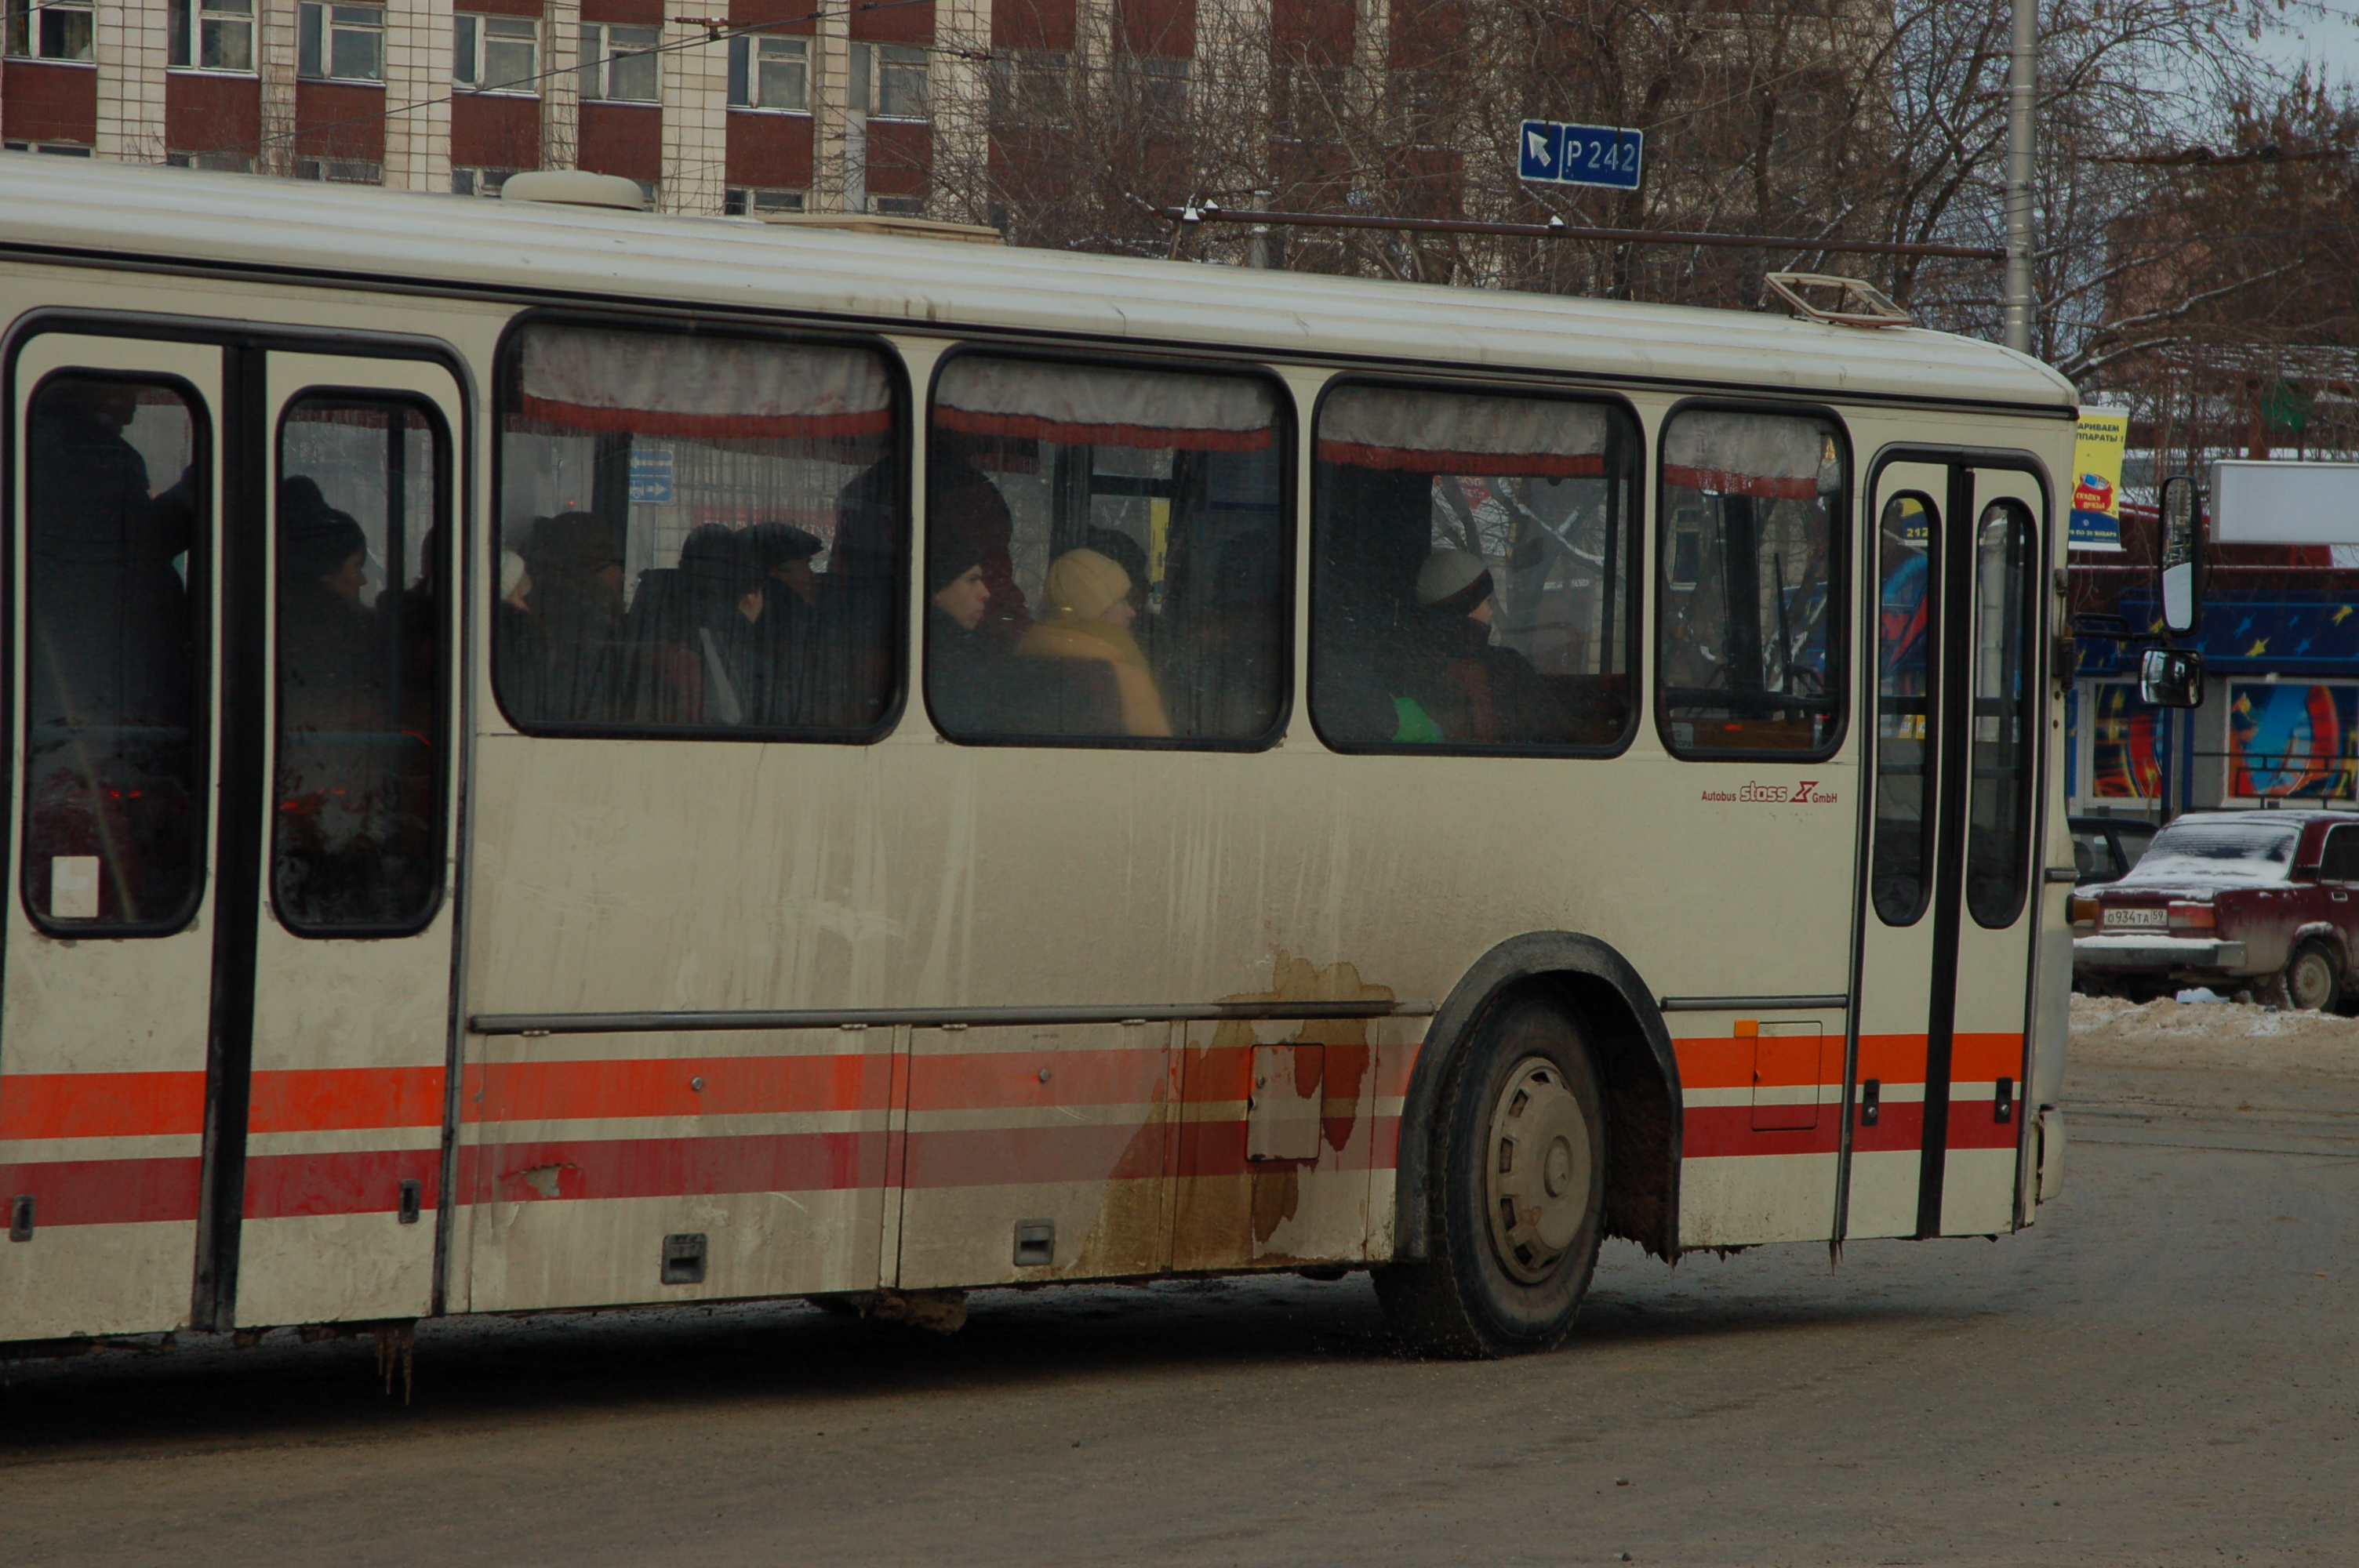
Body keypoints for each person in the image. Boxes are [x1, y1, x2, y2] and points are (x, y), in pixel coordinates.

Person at [1398, 547, 1565, 744]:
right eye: (1486, 601)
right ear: (1464, 608)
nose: (1491, 612)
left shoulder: (1405, 666)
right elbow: (1558, 738)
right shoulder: (1508, 668)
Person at [1015, 548, 1172, 737]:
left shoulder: (1022, 659)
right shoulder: (1125, 678)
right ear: (1095, 609)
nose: (1131, 612)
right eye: (1121, 601)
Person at [925, 535, 1001, 733]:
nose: (985, 593)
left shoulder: (962, 648)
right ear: (937, 590)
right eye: (972, 580)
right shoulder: (943, 661)